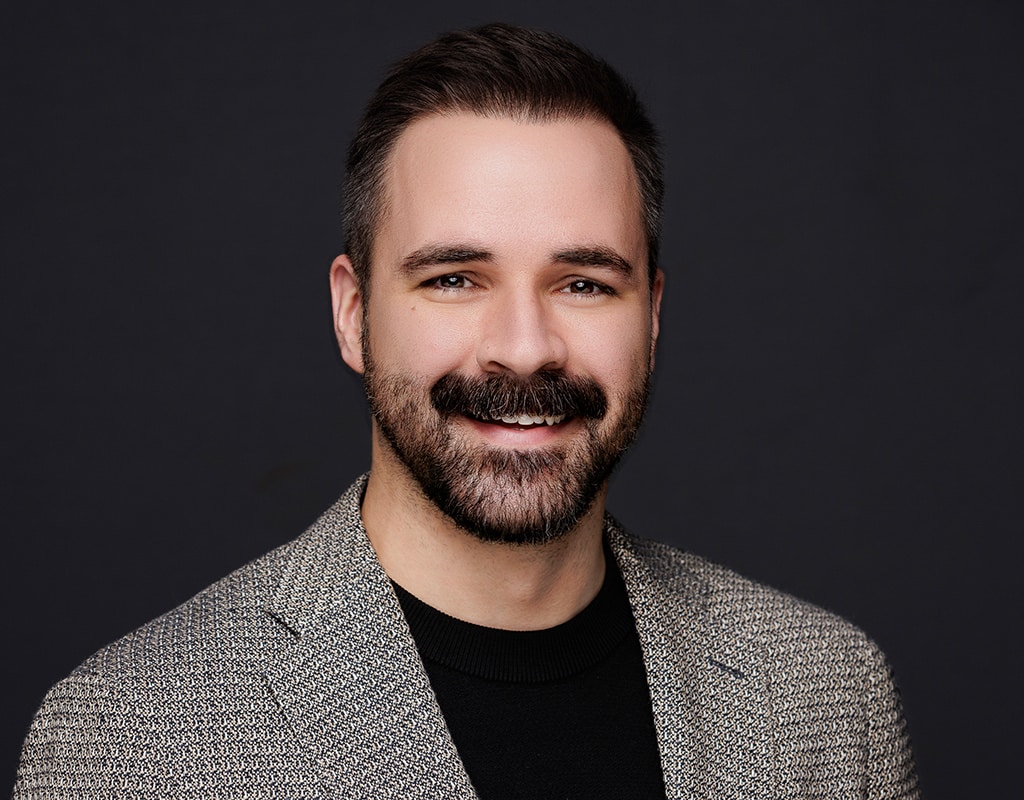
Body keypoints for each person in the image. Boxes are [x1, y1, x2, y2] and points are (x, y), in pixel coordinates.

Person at [13, 23, 918, 800]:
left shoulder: (828, 700)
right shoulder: (127, 742)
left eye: (584, 282)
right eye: (454, 278)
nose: (524, 348)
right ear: (353, 313)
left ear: (650, 315)